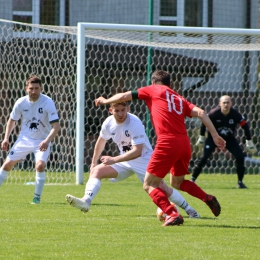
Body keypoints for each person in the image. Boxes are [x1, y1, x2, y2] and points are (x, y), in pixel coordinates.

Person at [95, 70, 226, 226]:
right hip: (184, 143)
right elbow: (202, 113)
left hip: (167, 142)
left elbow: (123, 96)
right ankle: (207, 198)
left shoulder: (153, 89)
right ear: (170, 84)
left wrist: (105, 100)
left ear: (153, 83)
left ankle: (172, 214)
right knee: (177, 182)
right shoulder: (179, 98)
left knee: (149, 184)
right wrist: (215, 135)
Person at [66, 102, 200, 219]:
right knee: (96, 171)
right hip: (125, 160)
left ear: (128, 109)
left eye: (123, 110)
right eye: (117, 111)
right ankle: (86, 201)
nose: (120, 114)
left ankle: (190, 210)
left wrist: (113, 159)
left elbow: (137, 151)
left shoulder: (134, 122)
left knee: (162, 188)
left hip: (144, 159)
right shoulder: (108, 123)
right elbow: (101, 141)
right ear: (111, 110)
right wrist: (93, 162)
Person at [0, 75, 60, 204]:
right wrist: (6, 138)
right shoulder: (21, 102)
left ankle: (36, 198)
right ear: (26, 88)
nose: (34, 91)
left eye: (37, 88)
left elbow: (56, 126)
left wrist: (47, 141)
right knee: (7, 165)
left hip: (42, 140)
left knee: (40, 165)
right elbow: (12, 120)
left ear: (41, 88)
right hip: (24, 139)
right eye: (31, 88)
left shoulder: (47, 102)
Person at [192, 95, 257, 188]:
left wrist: (249, 141)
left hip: (229, 139)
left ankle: (240, 182)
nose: (226, 104)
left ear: (231, 103)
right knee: (204, 157)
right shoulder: (214, 113)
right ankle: (193, 179)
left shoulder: (235, 114)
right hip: (213, 139)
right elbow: (204, 124)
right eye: (224, 102)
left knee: (240, 157)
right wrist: (202, 137)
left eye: (228, 102)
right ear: (220, 104)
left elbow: (245, 126)